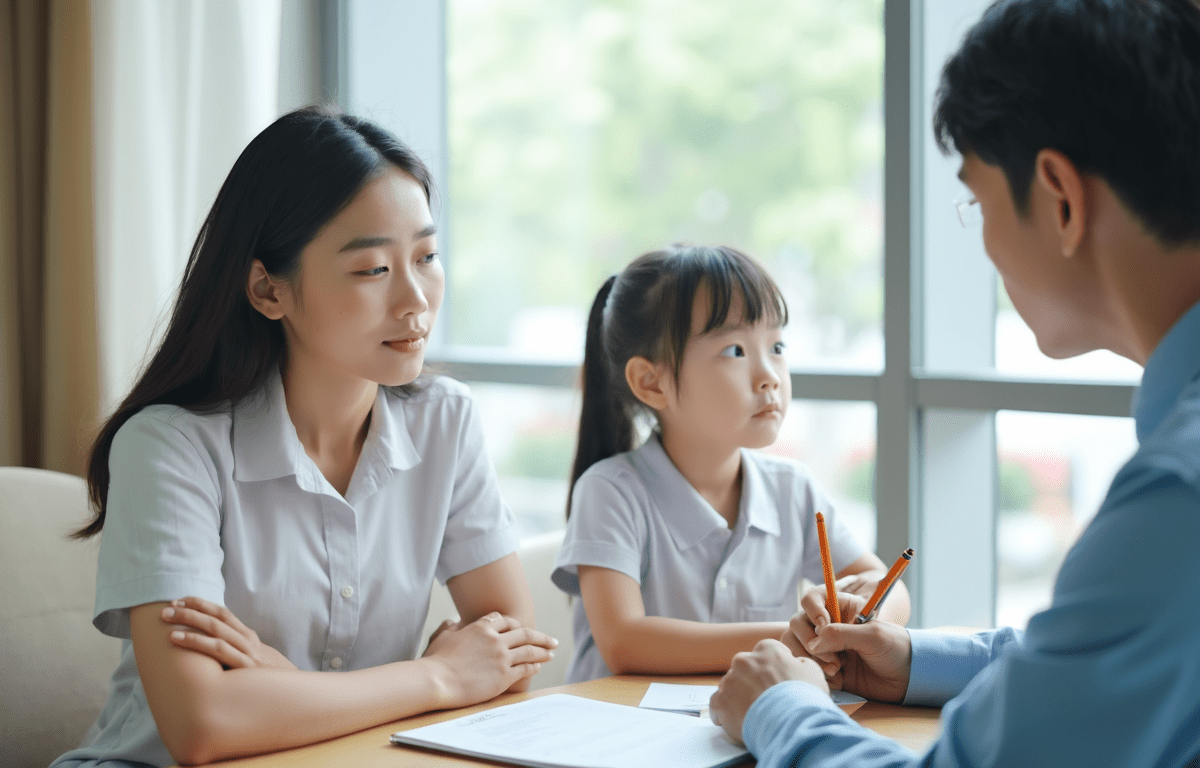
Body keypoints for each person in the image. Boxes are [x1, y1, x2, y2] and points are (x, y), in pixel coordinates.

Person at [708, 0, 1200, 764]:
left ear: (1061, 199)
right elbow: (1104, 657)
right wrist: (915, 660)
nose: (985, 246)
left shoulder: (1178, 496)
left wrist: (780, 708)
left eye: (977, 202)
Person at [53, 106, 558, 767]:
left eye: (427, 257)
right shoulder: (169, 447)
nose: (416, 300)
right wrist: (437, 677)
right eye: (373, 269)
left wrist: (286, 687)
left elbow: (509, 661)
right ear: (268, 289)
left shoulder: (444, 421)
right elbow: (203, 726)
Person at [550, 245, 909, 683]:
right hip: (618, 737)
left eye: (777, 346)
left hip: (746, 728)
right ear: (651, 382)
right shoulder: (610, 491)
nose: (770, 375)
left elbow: (886, 582)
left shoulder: (791, 488)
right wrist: (790, 636)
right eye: (736, 350)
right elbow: (626, 642)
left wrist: (866, 620)